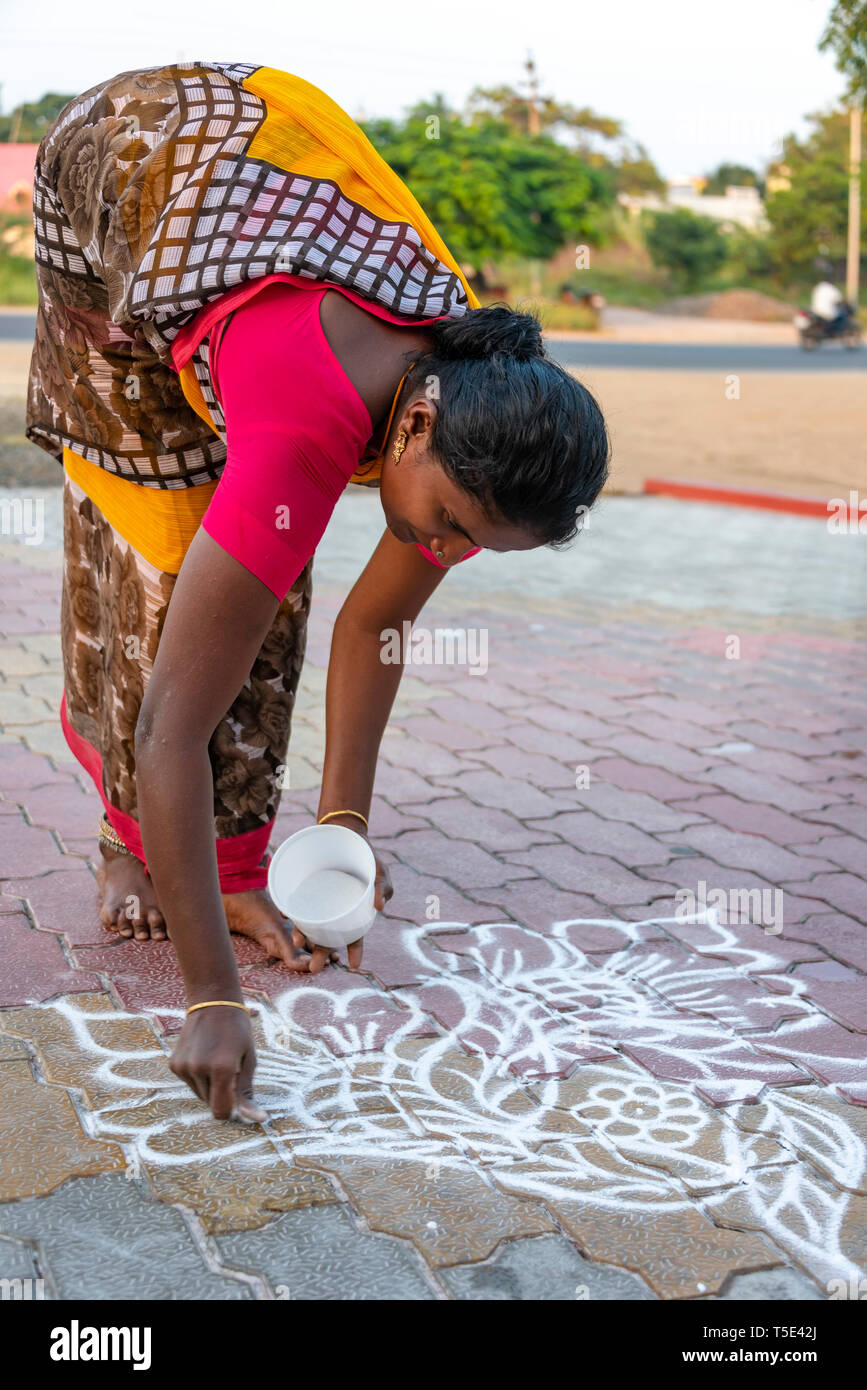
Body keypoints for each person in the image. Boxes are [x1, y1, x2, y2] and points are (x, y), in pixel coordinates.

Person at [26, 61, 610, 1122]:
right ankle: (134, 844)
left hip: (246, 208)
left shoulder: (468, 405)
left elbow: (378, 621)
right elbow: (169, 727)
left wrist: (344, 820)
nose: (445, 548)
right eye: (450, 528)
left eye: (473, 546)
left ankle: (224, 861)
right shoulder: (309, 423)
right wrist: (212, 999)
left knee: (261, 594)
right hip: (116, 170)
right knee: (164, 577)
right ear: (417, 424)